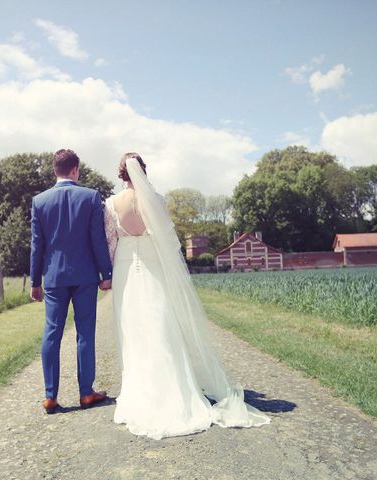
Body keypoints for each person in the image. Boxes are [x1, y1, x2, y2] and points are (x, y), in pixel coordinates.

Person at [104, 153, 270, 439]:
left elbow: (111, 241)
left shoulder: (110, 205)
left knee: (133, 329)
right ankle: (175, 387)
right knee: (162, 322)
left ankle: (142, 392)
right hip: (155, 264)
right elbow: (167, 239)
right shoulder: (156, 199)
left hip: (125, 268)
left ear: (121, 175)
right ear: (143, 171)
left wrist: (107, 272)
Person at [30, 148, 113, 414]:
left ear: (56, 170)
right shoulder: (90, 197)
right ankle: (86, 393)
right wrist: (106, 274)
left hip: (54, 277)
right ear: (75, 169)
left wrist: (35, 281)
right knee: (85, 332)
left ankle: (50, 396)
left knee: (52, 332)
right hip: (86, 276)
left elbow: (36, 246)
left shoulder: (39, 201)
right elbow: (97, 239)